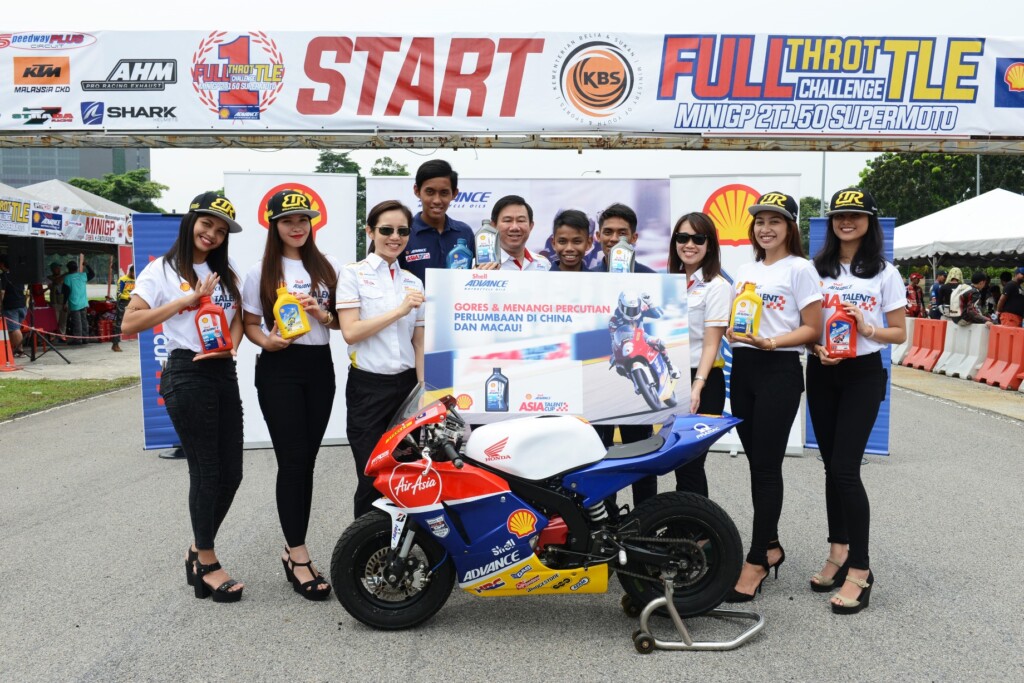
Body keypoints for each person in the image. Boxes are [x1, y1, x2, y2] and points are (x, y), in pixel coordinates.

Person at [120, 191, 246, 602]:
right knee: (207, 471)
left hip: (223, 371)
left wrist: (233, 346)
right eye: (206, 223)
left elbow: (239, 319)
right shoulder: (162, 270)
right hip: (186, 371)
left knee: (233, 473)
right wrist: (185, 301)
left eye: (221, 229)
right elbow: (130, 323)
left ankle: (196, 549)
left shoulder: (226, 272)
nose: (212, 233)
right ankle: (208, 560)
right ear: (191, 221)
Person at [806, 188, 906, 615]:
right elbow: (806, 325)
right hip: (823, 371)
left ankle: (861, 570)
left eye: (856, 215)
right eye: (839, 215)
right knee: (831, 467)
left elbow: (899, 333)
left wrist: (870, 328)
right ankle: (838, 550)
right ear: (830, 222)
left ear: (870, 221)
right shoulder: (816, 269)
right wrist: (815, 350)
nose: (847, 221)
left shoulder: (884, 272)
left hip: (863, 375)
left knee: (847, 469)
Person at [723, 191, 823, 603]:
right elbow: (737, 319)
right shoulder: (745, 269)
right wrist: (734, 331)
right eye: (760, 221)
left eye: (775, 221)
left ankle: (757, 560)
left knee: (766, 467)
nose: (766, 228)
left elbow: (812, 328)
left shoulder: (801, 269)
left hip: (778, 369)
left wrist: (773, 342)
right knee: (756, 464)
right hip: (744, 368)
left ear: (790, 228)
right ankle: (772, 544)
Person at [241, 189, 340, 601]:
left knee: (308, 461)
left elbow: (338, 324)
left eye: (303, 220)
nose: (297, 227)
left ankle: (292, 549)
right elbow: (249, 324)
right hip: (280, 368)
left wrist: (322, 313)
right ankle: (298, 555)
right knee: (293, 460)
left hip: (320, 366)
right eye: (288, 221)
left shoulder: (326, 267)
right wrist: (266, 342)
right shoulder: (258, 271)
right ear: (274, 225)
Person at [337, 200, 425, 519]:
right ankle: (362, 552)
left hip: (406, 390)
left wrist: (423, 393)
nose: (395, 237)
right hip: (368, 389)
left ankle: (401, 555)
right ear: (370, 231)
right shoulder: (352, 274)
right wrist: (399, 311)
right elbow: (350, 331)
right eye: (386, 230)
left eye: (402, 231)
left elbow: (419, 342)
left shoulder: (414, 282)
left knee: (408, 476)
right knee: (371, 476)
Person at [667, 212, 733, 497]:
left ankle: (700, 536)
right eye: (683, 237)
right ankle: (686, 529)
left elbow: (711, 343)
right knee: (677, 462)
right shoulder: (670, 282)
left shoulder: (717, 286)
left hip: (703, 382)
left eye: (698, 238)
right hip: (672, 380)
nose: (689, 244)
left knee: (691, 464)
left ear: (710, 244)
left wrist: (698, 384)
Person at [399, 160, 475, 282]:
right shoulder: (403, 232)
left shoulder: (464, 232)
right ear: (417, 191)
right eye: (430, 192)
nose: (437, 200)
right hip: (414, 301)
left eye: (444, 193)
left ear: (454, 193)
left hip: (458, 301)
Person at [477, 195, 551, 272]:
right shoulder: (480, 266)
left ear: (531, 226)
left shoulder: (543, 264)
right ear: (493, 226)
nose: (514, 227)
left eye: (521, 220)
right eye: (507, 220)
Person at [591, 202, 656, 274]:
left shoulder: (651, 277)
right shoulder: (588, 278)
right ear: (598, 236)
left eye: (622, 233)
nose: (614, 239)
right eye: (608, 232)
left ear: (634, 238)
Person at [63, 256, 95, 346]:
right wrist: (87, 265)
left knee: (77, 321)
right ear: (77, 268)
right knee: (84, 320)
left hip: (74, 303)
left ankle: (78, 339)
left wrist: (64, 303)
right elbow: (92, 274)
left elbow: (66, 292)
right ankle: (86, 338)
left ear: (68, 269)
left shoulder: (67, 278)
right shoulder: (83, 275)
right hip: (83, 302)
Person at [0, 255, 26, 357]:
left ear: (2, 264)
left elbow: (2, 292)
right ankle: (14, 349)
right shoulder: (18, 274)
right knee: (13, 328)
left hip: (11, 306)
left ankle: (20, 350)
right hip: (22, 304)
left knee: (14, 329)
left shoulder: (4, 276)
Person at [111, 265, 135, 352]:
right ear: (130, 271)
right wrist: (128, 297)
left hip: (134, 303)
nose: (135, 275)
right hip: (123, 304)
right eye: (133, 273)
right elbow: (118, 294)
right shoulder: (122, 279)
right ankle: (115, 344)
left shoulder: (137, 280)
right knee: (119, 324)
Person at [45, 263, 67, 339]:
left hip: (63, 301)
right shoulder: (49, 278)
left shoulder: (64, 277)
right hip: (55, 302)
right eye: (57, 268)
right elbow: (56, 282)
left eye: (59, 268)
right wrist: (66, 274)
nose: (59, 270)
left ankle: (62, 335)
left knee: (63, 320)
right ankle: (52, 335)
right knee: (54, 320)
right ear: (52, 269)